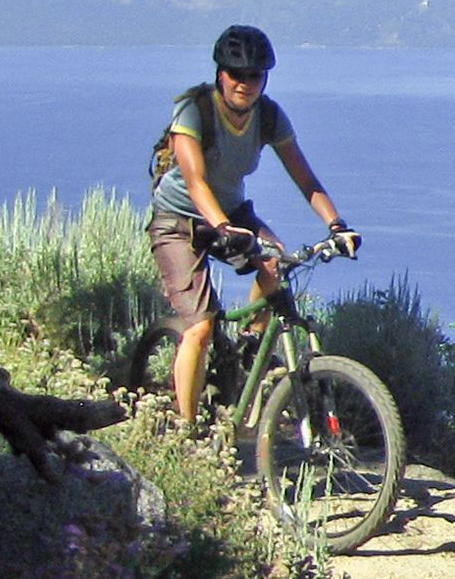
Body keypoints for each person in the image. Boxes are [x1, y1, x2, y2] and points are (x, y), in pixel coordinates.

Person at [146, 25, 361, 424]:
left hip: (232, 214)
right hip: (180, 221)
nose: (244, 83)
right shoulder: (195, 110)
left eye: (254, 76)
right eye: (236, 74)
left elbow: (306, 179)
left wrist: (336, 225)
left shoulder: (268, 117)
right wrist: (224, 227)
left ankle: (249, 347)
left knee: (275, 263)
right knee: (200, 327)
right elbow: (195, 182)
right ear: (220, 74)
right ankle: (187, 431)